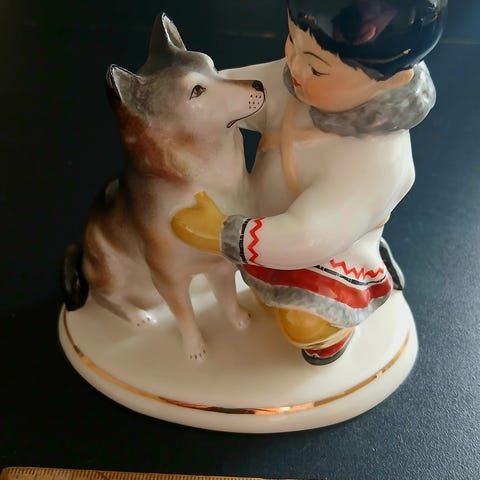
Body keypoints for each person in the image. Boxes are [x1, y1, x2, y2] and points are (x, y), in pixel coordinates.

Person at [172, 0, 447, 364]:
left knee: (302, 324)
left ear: (388, 82)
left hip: (329, 253)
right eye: (292, 41)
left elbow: (310, 235)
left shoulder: (376, 159)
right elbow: (231, 90)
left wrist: (224, 234)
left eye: (317, 67)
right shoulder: (290, 80)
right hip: (264, 223)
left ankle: (331, 334)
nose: (296, 67)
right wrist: (188, 102)